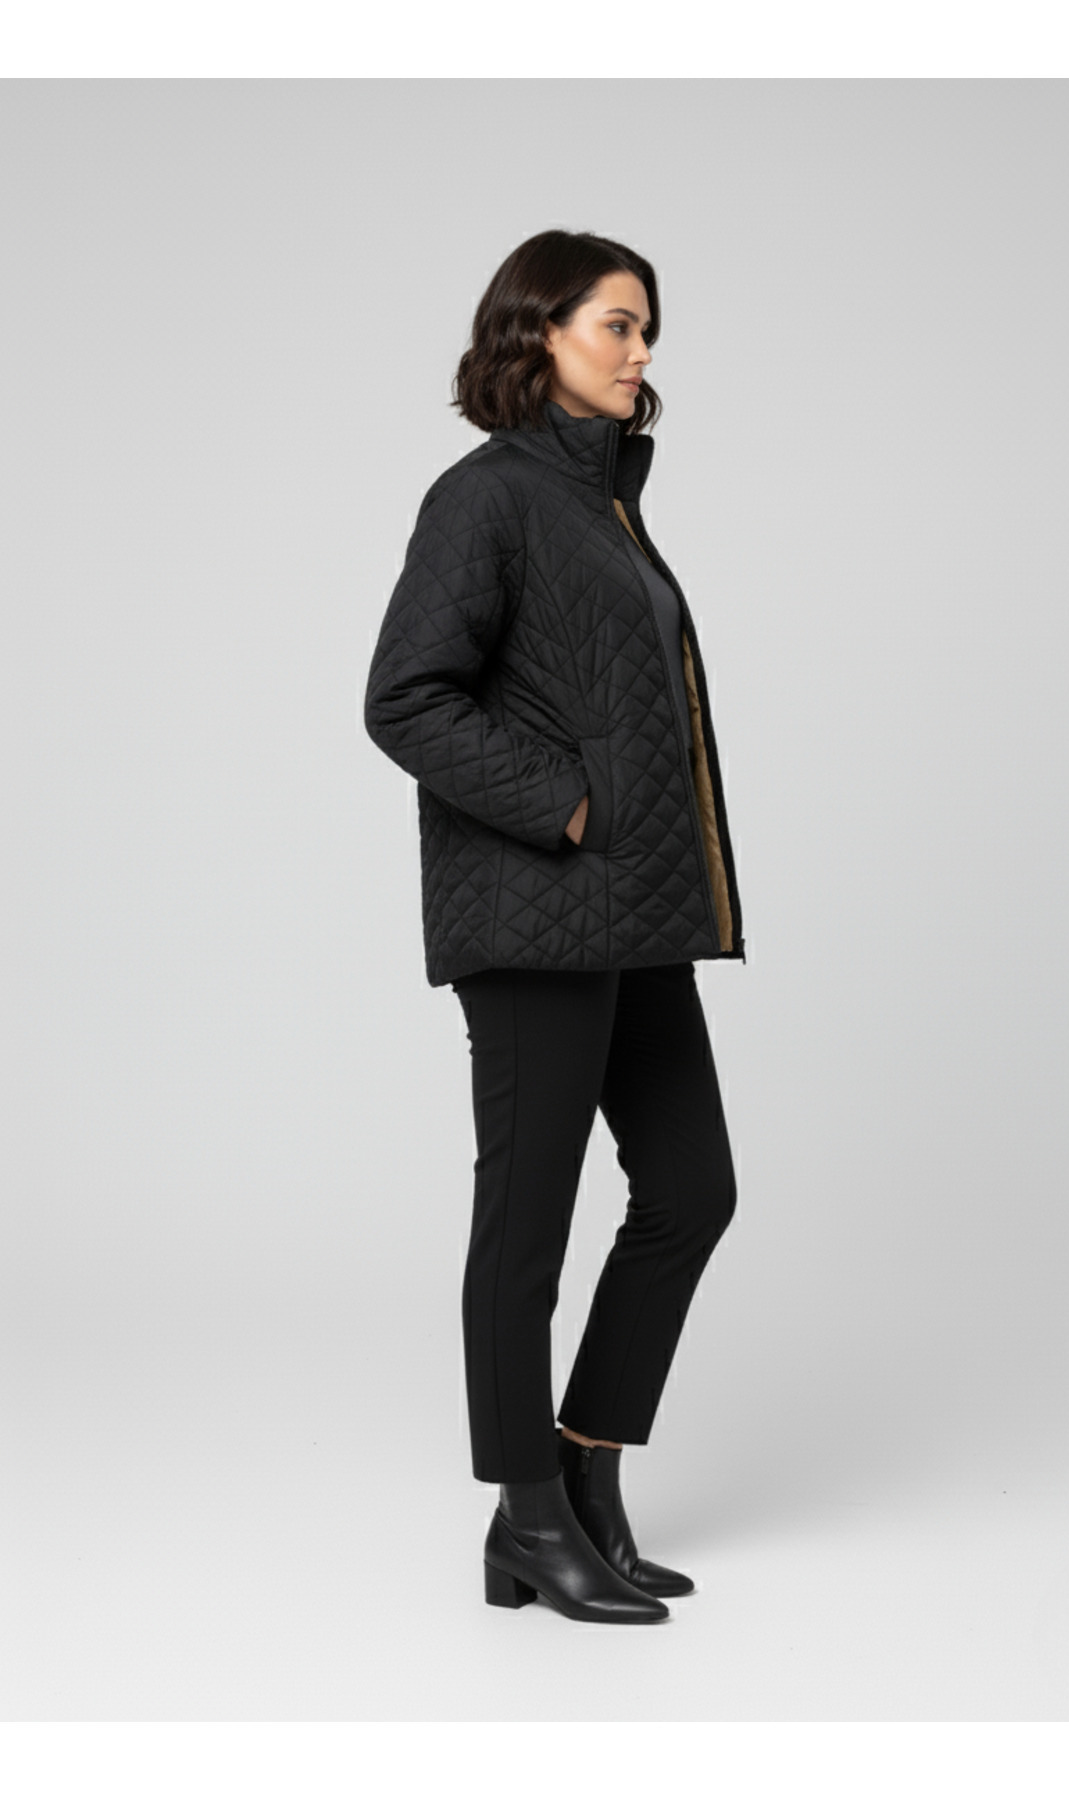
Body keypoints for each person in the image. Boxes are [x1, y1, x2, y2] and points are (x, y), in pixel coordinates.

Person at [363, 229, 746, 1625]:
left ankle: (584, 1471)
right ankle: (525, 1517)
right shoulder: (488, 496)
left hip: (632, 914)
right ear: (540, 333)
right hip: (535, 915)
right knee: (525, 1227)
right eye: (618, 325)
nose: (642, 352)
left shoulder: (605, 501)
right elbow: (404, 696)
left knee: (692, 1189)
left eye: (649, 330)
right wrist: (569, 806)